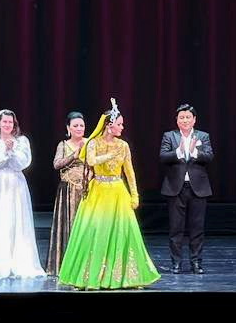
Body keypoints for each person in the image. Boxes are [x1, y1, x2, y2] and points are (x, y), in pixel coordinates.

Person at [57, 98, 160, 290]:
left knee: (123, 232)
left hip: (118, 192)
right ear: (109, 125)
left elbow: (129, 172)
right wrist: (109, 155)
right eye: (119, 124)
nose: (122, 127)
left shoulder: (123, 145)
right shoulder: (93, 143)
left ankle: (127, 277)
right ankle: (89, 276)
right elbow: (91, 160)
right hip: (98, 191)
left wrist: (135, 195)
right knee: (94, 232)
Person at [0, 109, 44, 278]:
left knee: (16, 219)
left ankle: (18, 261)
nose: (7, 125)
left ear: (14, 124)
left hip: (16, 185)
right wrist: (5, 153)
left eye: (10, 122)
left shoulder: (22, 142)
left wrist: (12, 151)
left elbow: (22, 163)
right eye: (4, 121)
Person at [158, 103, 213, 274]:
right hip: (176, 188)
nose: (185, 120)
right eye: (181, 117)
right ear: (177, 120)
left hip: (198, 188)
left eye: (188, 117)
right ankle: (176, 263)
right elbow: (163, 156)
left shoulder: (202, 136)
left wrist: (194, 152)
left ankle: (196, 262)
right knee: (176, 229)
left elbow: (209, 156)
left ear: (194, 119)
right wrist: (179, 151)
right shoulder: (170, 136)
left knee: (197, 228)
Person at [45, 111, 88, 275]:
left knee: (85, 226)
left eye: (81, 125)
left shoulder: (90, 143)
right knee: (69, 226)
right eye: (75, 126)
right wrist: (74, 155)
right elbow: (56, 164)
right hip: (68, 191)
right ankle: (67, 265)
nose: (79, 128)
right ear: (68, 128)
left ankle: (85, 265)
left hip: (87, 190)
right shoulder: (63, 145)